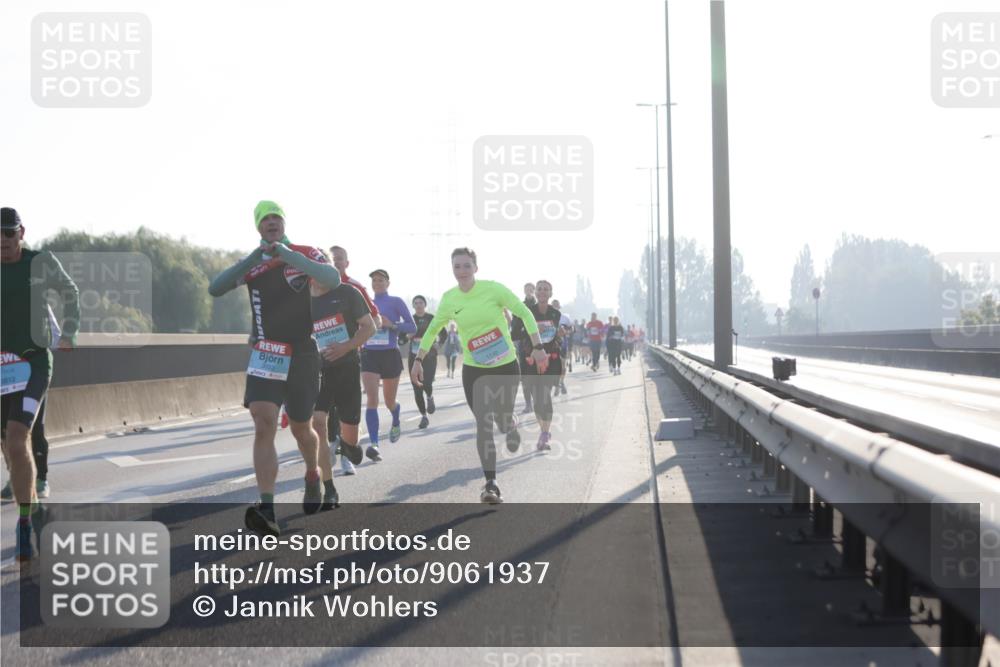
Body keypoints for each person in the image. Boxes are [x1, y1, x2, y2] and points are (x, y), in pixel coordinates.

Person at [208, 200, 341, 537]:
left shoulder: (304, 252)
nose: (271, 222)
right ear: (258, 226)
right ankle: (266, 506)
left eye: (276, 217)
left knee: (301, 428)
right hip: (267, 353)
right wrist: (257, 256)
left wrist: (285, 254)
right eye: (265, 219)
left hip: (304, 355)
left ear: (283, 223)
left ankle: (312, 473)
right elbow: (216, 288)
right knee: (263, 422)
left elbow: (332, 278)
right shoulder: (252, 265)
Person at [411, 248, 547, 504]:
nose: (461, 271)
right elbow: (432, 330)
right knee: (483, 424)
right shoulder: (449, 299)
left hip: (505, 365)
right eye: (456, 267)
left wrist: (538, 347)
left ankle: (510, 424)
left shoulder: (493, 289)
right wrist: (418, 359)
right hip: (474, 369)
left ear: (475, 267)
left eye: (466, 266)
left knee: (502, 418)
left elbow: (524, 313)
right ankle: (491, 484)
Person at [1, 207, 80, 560]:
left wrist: (71, 330)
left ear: (22, 233)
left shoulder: (40, 262)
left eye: (9, 233)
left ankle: (23, 524)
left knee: (19, 439)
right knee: (8, 447)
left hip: (33, 364)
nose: (3, 240)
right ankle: (29, 504)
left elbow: (70, 291)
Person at [308, 255, 376, 509]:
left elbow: (369, 328)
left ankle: (350, 446)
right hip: (316, 370)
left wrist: (346, 347)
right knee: (317, 423)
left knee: (351, 440)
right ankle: (329, 488)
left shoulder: (348, 293)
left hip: (346, 367)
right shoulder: (301, 298)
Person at [327, 245, 379, 475]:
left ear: (347, 263)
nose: (336, 263)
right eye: (332, 259)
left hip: (348, 355)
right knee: (326, 405)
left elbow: (374, 318)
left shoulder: (354, 287)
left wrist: (354, 340)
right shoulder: (315, 286)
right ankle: (332, 445)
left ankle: (345, 451)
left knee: (343, 407)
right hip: (322, 355)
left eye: (340, 259)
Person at [361, 269, 416, 461]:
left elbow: (412, 327)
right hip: (369, 354)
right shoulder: (365, 301)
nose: (377, 283)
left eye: (381, 280)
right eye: (374, 280)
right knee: (372, 400)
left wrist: (391, 325)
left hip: (390, 354)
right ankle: (374, 444)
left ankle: (395, 417)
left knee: (389, 401)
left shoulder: (396, 302)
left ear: (388, 283)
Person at [523, 281, 563, 451]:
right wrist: (532, 351)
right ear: (536, 293)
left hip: (550, 360)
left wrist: (560, 336)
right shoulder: (528, 313)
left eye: (546, 289)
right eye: (539, 289)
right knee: (537, 400)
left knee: (544, 396)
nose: (542, 292)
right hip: (532, 359)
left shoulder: (556, 314)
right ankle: (543, 429)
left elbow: (554, 337)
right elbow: (522, 335)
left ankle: (545, 434)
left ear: (550, 293)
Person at [404, 295, 448, 429]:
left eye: (420, 302)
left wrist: (438, 344)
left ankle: (429, 396)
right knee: (416, 388)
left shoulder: (431, 318)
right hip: (414, 356)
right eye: (415, 303)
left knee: (427, 382)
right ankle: (424, 416)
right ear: (413, 305)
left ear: (425, 304)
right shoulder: (410, 319)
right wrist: (407, 336)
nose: (418, 305)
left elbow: (444, 334)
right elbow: (402, 338)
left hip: (429, 356)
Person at [552, 298, 572, 392]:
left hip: (563, 344)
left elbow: (572, 329)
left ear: (559, 307)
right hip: (550, 345)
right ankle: (556, 383)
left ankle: (561, 382)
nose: (555, 307)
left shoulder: (564, 317)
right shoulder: (546, 317)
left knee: (563, 365)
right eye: (553, 306)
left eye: (556, 306)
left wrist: (565, 331)